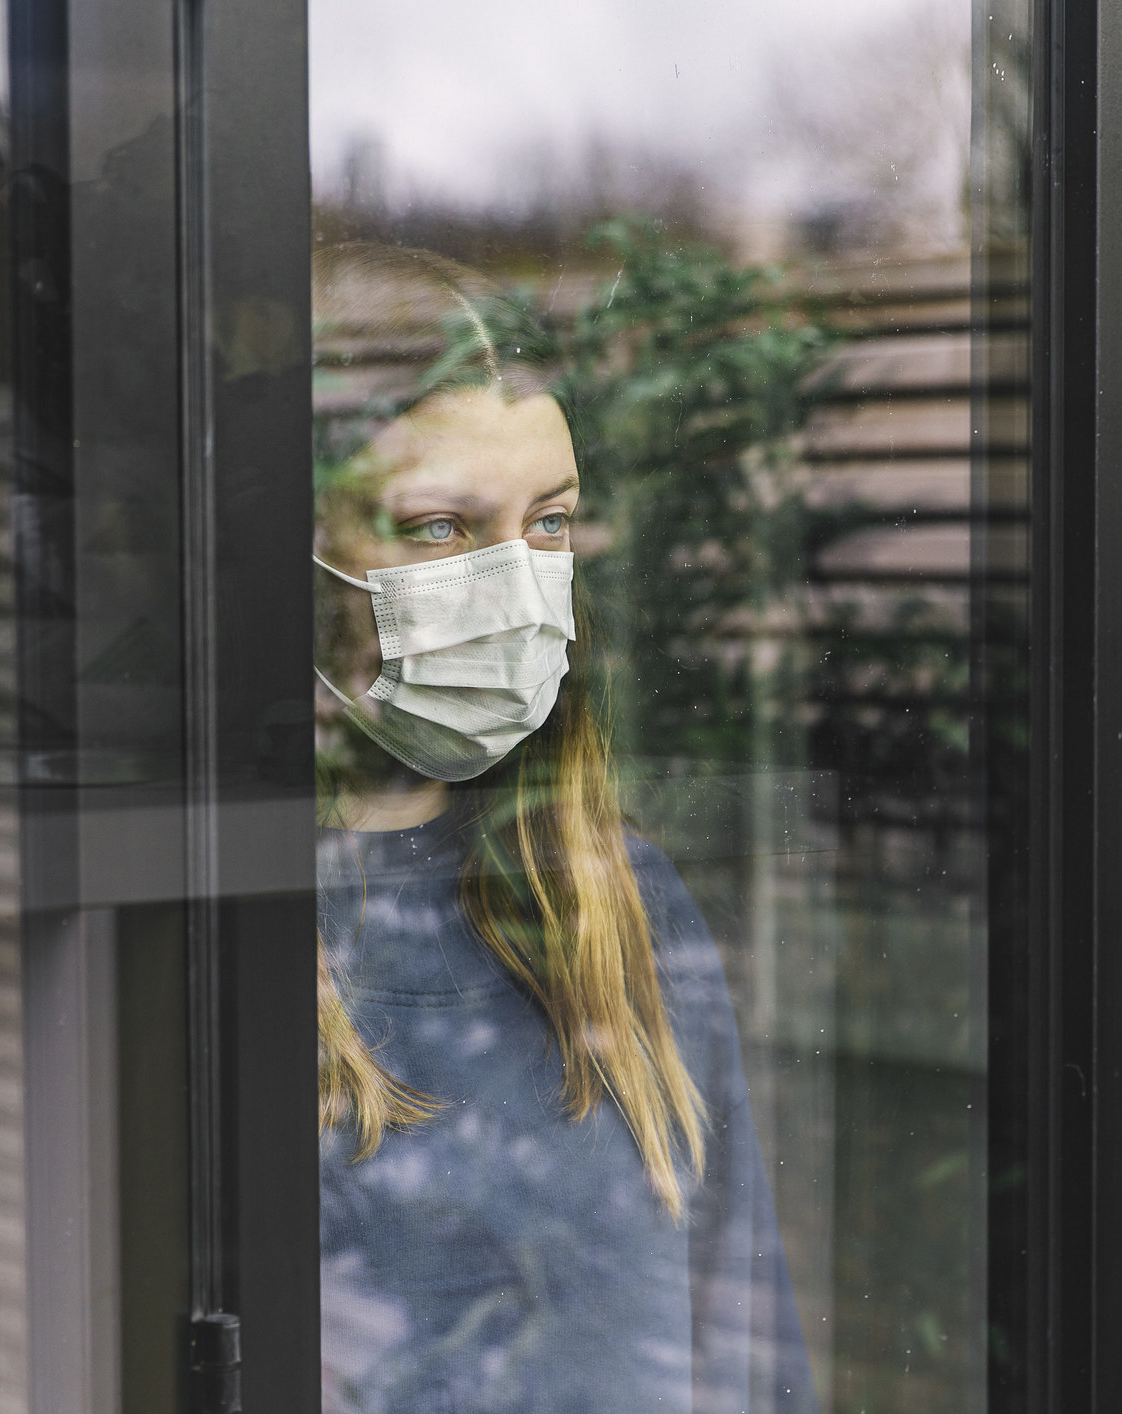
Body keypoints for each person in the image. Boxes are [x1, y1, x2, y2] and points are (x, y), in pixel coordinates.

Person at [311, 244, 816, 1414]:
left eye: (550, 522)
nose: (514, 580)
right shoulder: (191, 931)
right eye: (440, 528)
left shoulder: (614, 896)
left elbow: (747, 1345)